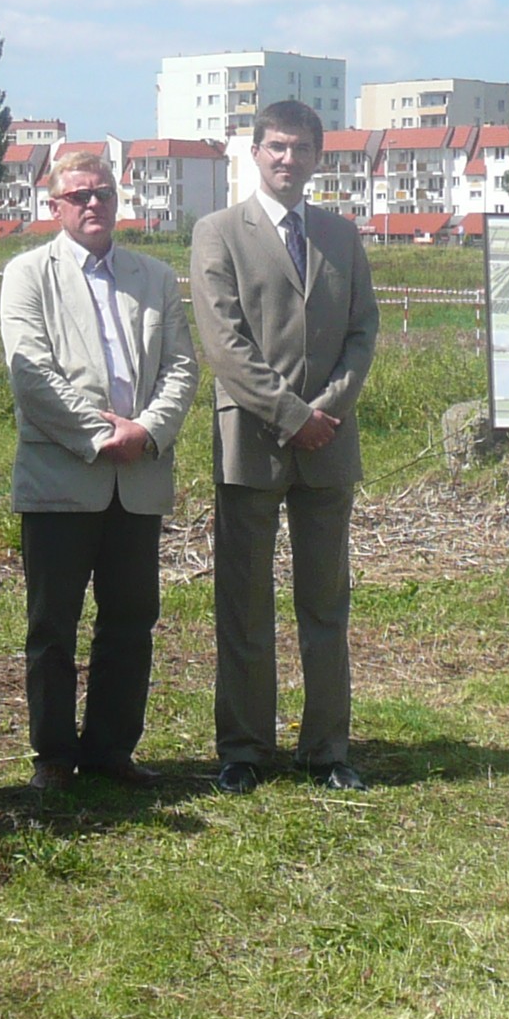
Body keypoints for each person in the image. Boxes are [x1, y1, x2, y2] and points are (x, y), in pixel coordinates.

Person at [189, 99, 380, 793]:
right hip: (252, 441)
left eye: (300, 148)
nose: (286, 159)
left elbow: (363, 332)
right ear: (254, 151)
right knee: (244, 602)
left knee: (325, 601)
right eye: (274, 146)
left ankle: (327, 749)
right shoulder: (217, 233)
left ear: (318, 156)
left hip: (328, 445)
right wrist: (290, 413)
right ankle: (243, 747)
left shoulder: (340, 234)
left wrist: (326, 410)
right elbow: (224, 343)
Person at [0, 151, 199, 788]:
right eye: (79, 195)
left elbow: (182, 368)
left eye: (103, 194)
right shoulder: (28, 274)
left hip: (136, 480)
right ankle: (54, 756)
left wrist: (149, 431)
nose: (93, 205)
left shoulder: (155, 278)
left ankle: (112, 750)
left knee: (131, 620)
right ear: (53, 206)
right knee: (52, 625)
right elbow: (32, 376)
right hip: (62, 480)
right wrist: (98, 436)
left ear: (119, 201)